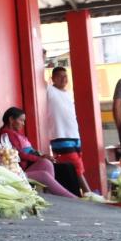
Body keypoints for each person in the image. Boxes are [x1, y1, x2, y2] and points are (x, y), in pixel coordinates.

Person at [0, 107, 78, 198]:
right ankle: (73, 198)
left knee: (47, 163)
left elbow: (30, 151)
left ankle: (50, 196)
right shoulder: (6, 134)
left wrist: (43, 156)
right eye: (21, 120)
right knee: (45, 173)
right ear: (11, 119)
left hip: (27, 166)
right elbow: (18, 154)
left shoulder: (17, 134)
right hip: (17, 171)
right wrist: (40, 158)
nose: (23, 124)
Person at [45, 66, 92, 194]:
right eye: (60, 76)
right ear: (53, 78)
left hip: (74, 135)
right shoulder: (49, 90)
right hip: (60, 135)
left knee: (78, 164)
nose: (64, 79)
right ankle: (88, 192)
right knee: (75, 165)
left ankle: (78, 193)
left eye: (66, 76)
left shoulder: (68, 94)